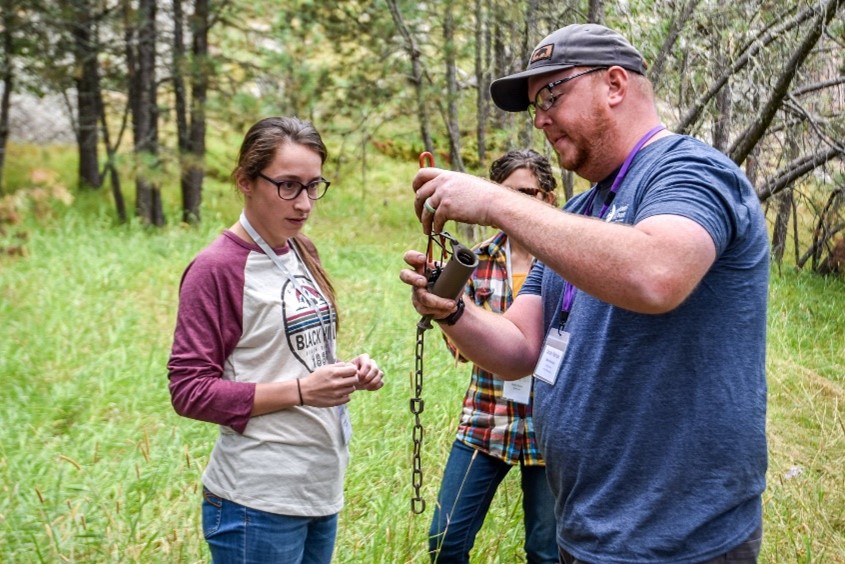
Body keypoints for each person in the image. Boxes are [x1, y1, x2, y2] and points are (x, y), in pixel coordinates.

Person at [401, 23, 768, 563]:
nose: (541, 118)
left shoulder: (690, 170)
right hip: (588, 526)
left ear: (615, 84)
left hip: (679, 540)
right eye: (534, 107)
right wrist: (454, 310)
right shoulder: (577, 214)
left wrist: (497, 204)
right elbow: (520, 349)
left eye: (552, 94)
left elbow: (656, 272)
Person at [168, 116, 385, 563]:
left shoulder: (301, 249)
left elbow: (291, 352)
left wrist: (348, 370)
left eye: (313, 186)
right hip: (257, 501)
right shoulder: (216, 269)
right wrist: (303, 391)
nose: (304, 203)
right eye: (288, 186)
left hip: (318, 488)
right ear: (246, 181)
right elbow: (188, 391)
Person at [428, 149, 559, 564]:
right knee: (445, 540)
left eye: (528, 193)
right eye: (506, 194)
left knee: (546, 551)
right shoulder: (474, 261)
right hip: (487, 420)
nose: (517, 203)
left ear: (549, 199)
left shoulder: (570, 264)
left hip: (550, 429)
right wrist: (444, 304)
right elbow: (459, 349)